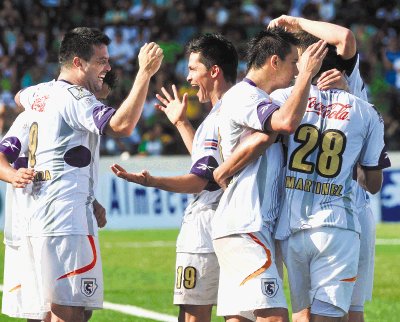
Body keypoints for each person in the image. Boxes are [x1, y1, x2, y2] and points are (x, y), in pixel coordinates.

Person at [0, 27, 163, 322]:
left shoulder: (41, 95)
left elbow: (19, 97)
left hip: (40, 213)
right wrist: (145, 73)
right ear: (78, 62)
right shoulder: (74, 97)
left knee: (45, 311)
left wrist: (91, 200)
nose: (108, 67)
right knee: (71, 311)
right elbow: (122, 126)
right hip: (64, 217)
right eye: (101, 61)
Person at [111, 33, 245, 322]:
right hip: (240, 224)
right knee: (238, 313)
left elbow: (199, 180)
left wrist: (152, 181)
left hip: (206, 228)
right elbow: (209, 162)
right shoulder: (239, 108)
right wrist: (183, 123)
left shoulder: (220, 116)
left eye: (193, 69)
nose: (188, 77)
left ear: (214, 71)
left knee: (194, 315)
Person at [269, 15, 384, 322]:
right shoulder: (363, 107)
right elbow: (372, 180)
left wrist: (294, 22)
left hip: (298, 220)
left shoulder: (286, 98)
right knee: (345, 310)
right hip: (343, 217)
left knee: (310, 312)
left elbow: (345, 36)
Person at [212, 28, 326, 322]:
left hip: (247, 225)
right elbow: (285, 123)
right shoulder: (245, 95)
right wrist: (307, 76)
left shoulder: (254, 97)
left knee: (242, 318)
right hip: (247, 223)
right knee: (275, 316)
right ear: (274, 61)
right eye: (292, 64)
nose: (295, 71)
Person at [0, 69, 117, 321]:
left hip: (64, 213)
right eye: (95, 94)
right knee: (49, 307)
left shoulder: (81, 120)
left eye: (103, 99)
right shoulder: (33, 116)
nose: (96, 103)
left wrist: (92, 199)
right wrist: (12, 175)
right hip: (34, 217)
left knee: (78, 307)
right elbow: (2, 156)